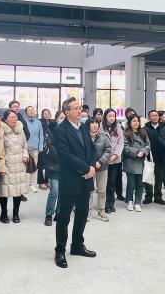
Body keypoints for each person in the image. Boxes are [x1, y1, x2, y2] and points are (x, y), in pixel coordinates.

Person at [50, 97, 97, 268]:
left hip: (86, 179)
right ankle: (60, 250)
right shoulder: (60, 130)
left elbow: (91, 148)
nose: (79, 110)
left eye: (80, 108)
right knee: (64, 217)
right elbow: (66, 156)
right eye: (76, 108)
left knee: (82, 214)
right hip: (70, 180)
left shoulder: (83, 126)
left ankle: (77, 245)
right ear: (67, 112)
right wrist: (86, 169)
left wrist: (91, 166)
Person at [0, 110, 29, 223]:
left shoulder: (20, 130)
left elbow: (25, 145)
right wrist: (1, 163)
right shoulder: (1, 131)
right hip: (7, 164)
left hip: (20, 163)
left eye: (15, 117)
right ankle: (3, 213)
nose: (14, 119)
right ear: (5, 119)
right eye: (11, 117)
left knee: (18, 190)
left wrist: (25, 154)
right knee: (4, 190)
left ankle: (16, 213)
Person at [121, 115, 151, 212]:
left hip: (141, 161)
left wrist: (143, 152)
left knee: (140, 184)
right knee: (131, 183)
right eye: (133, 121)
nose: (136, 123)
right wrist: (137, 152)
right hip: (130, 161)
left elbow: (148, 145)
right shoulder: (125, 133)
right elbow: (125, 147)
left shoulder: (143, 132)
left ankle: (138, 202)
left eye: (137, 121)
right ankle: (129, 201)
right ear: (129, 122)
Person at [87, 117, 112, 221]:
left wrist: (100, 161)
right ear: (88, 125)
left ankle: (101, 211)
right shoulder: (84, 136)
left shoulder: (104, 136)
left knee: (102, 190)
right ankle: (87, 212)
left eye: (96, 123)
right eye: (92, 123)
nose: (95, 125)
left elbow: (108, 150)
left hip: (102, 167)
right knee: (89, 190)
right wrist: (90, 164)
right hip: (89, 168)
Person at [101, 110, 124, 214]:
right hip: (103, 159)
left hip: (115, 160)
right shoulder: (100, 126)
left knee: (111, 182)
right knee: (103, 183)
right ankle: (103, 204)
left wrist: (116, 154)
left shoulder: (118, 127)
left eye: (113, 116)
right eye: (109, 116)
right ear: (105, 116)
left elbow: (121, 142)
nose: (111, 118)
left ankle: (110, 203)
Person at [38, 121, 60, 225]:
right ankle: (49, 214)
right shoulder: (50, 140)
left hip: (66, 169)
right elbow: (46, 155)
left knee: (63, 192)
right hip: (54, 169)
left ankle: (59, 212)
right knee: (54, 191)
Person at [142, 110, 165, 204]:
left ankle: (158, 197)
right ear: (149, 117)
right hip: (149, 157)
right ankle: (148, 196)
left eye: (156, 115)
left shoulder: (164, 127)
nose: (154, 117)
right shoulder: (144, 129)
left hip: (161, 157)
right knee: (148, 176)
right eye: (152, 116)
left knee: (159, 178)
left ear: (159, 117)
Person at [23, 105, 43, 192]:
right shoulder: (23, 121)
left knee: (34, 167)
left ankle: (32, 184)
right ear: (26, 112)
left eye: (32, 110)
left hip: (35, 148)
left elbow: (41, 135)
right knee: (25, 167)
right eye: (29, 110)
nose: (31, 111)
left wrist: (40, 147)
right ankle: (26, 185)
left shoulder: (38, 122)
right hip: (25, 148)